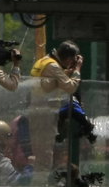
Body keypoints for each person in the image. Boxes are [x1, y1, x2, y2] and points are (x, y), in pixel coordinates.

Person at [31, 41, 83, 177]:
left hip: (36, 111)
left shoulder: (45, 61)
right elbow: (71, 87)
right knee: (46, 153)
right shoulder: (53, 66)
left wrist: (67, 71)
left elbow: (51, 81)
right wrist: (77, 70)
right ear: (68, 59)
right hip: (45, 115)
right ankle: (41, 185)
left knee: (39, 152)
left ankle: (39, 180)